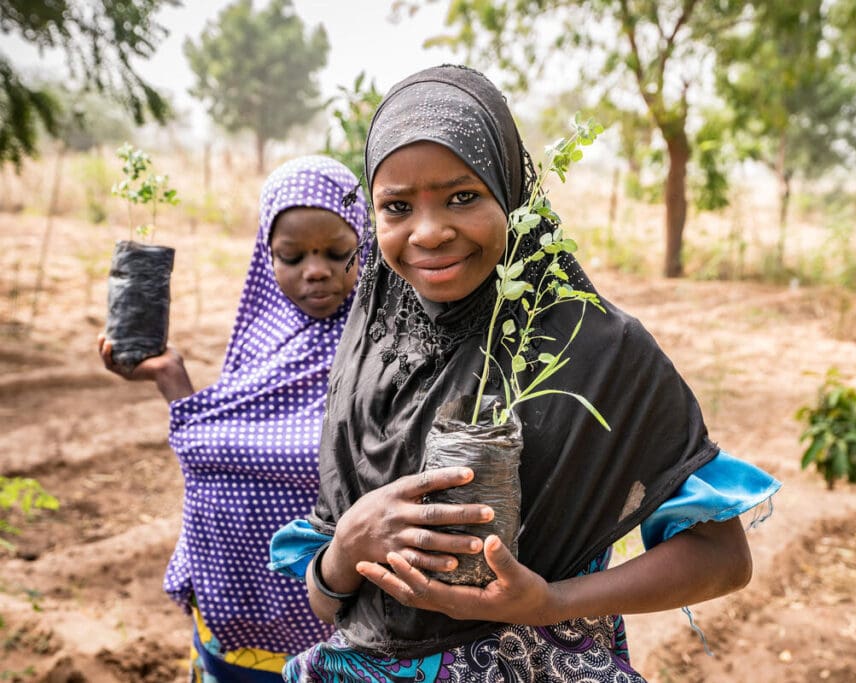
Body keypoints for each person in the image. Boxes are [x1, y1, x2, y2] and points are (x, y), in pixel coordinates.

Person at [270, 65, 781, 682]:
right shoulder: (370, 353)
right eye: (397, 207)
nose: (429, 232)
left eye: (463, 196)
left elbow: (723, 560)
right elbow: (329, 604)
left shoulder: (598, 350)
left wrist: (550, 603)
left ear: (510, 192)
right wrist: (346, 547)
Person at [97, 155, 369, 681]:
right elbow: (222, 437)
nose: (315, 270)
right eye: (291, 257)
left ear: (366, 241)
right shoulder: (260, 336)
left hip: (328, 631)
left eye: (337, 252)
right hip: (228, 612)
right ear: (265, 256)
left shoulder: (377, 348)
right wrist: (171, 377)